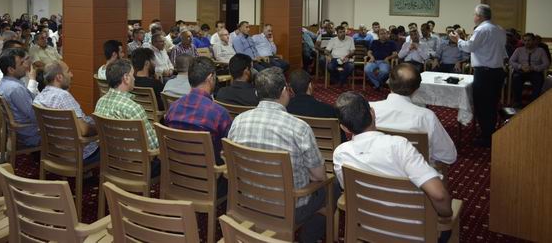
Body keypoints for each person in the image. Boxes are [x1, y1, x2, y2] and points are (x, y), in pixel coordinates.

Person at [228, 67, 328, 243]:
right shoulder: (299, 127)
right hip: (289, 208)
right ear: (284, 91)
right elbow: (319, 176)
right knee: (331, 188)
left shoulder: (238, 121)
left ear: (257, 93)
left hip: (247, 200)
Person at [333, 92, 454, 236]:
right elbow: (439, 196)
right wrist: (446, 216)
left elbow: (348, 190)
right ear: (373, 113)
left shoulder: (341, 153)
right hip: (413, 232)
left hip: (367, 227)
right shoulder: (399, 146)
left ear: (344, 128)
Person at [370, 64, 457, 166]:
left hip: (375, 168)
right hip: (414, 173)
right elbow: (449, 156)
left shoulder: (370, 109)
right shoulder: (426, 117)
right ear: (417, 89)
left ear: (388, 82)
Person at [449, 4, 507, 147]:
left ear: (479, 16)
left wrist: (458, 40)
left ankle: (487, 137)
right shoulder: (499, 29)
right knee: (492, 104)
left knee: (483, 105)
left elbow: (469, 47)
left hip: (485, 73)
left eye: (474, 14)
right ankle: (490, 132)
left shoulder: (481, 29)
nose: (473, 17)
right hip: (498, 72)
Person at [165, 57, 231, 161]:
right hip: (210, 170)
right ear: (210, 78)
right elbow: (228, 151)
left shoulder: (173, 108)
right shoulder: (220, 114)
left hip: (176, 168)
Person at [34, 61, 99, 164]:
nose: (71, 75)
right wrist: (99, 128)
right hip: (78, 154)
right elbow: (84, 131)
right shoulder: (63, 96)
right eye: (68, 71)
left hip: (53, 152)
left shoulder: (38, 98)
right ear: (59, 77)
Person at [94, 59, 159, 156]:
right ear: (126, 78)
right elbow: (152, 146)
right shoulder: (133, 108)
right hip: (137, 162)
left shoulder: (100, 102)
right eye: (132, 75)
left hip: (110, 160)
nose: (134, 78)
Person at [0, 48, 40, 147]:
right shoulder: (15, 88)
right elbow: (35, 115)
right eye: (22, 63)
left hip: (19, 131)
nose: (26, 65)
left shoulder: (3, 83)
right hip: (30, 134)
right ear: (11, 70)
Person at [509, 33, 550, 108]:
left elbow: (546, 63)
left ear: (534, 41)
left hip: (535, 71)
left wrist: (534, 68)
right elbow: (511, 61)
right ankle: (517, 102)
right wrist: (520, 66)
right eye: (525, 40)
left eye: (529, 40)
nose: (527, 42)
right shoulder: (519, 50)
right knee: (516, 78)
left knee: (538, 80)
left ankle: (534, 102)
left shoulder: (540, 50)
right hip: (521, 71)